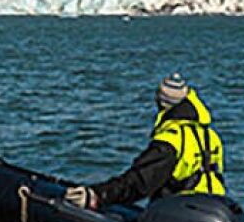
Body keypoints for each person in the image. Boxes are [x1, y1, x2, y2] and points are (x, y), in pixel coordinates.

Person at [63, 74, 226, 209]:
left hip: (182, 211)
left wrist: (97, 196)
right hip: (214, 207)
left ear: (162, 102)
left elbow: (140, 182)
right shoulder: (210, 136)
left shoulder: (171, 139)